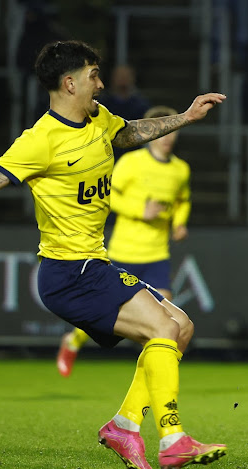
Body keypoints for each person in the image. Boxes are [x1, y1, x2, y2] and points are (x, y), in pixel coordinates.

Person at [0, 40, 227, 469]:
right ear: (69, 83)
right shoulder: (40, 142)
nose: (101, 84)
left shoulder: (98, 120)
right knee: (164, 326)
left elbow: (128, 132)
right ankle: (172, 438)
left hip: (94, 264)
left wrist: (185, 116)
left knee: (180, 327)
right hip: (69, 273)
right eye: (93, 76)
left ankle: (125, 426)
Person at [57, 105, 192, 377]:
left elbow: (182, 200)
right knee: (101, 312)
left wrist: (179, 223)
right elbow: (109, 197)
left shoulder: (181, 169)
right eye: (163, 131)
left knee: (167, 317)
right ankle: (73, 341)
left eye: (172, 132)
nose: (167, 137)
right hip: (123, 251)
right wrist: (139, 210)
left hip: (156, 254)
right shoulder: (131, 163)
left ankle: (152, 374)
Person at [96, 64, 150, 159]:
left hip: (134, 156)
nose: (123, 80)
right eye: (120, 77)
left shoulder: (142, 105)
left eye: (126, 76)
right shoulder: (102, 104)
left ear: (133, 78)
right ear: (112, 79)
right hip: (107, 155)